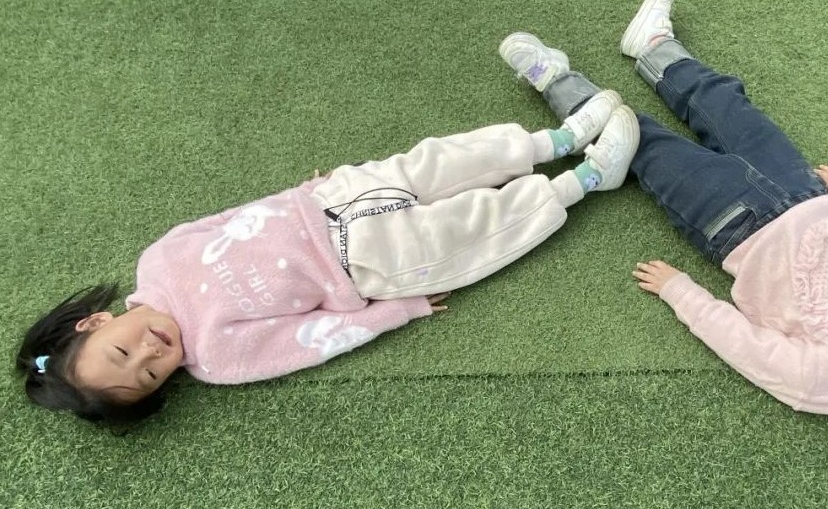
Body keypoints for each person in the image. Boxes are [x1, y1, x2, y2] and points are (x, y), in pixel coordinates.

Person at [498, 0, 828, 501]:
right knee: (727, 106)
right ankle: (655, 49)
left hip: (734, 222)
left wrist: (681, 292)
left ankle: (556, 81)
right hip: (804, 188)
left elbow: (744, 345)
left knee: (642, 146)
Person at [16, 91, 640, 424]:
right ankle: (585, 179)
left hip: (329, 201)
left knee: (439, 160)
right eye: (149, 377)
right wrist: (396, 311)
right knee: (473, 230)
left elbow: (230, 218)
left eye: (123, 351)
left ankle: (556, 139)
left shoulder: (156, 262)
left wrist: (301, 192)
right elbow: (312, 339)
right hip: (365, 266)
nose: (150, 355)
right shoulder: (215, 358)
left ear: (95, 321)